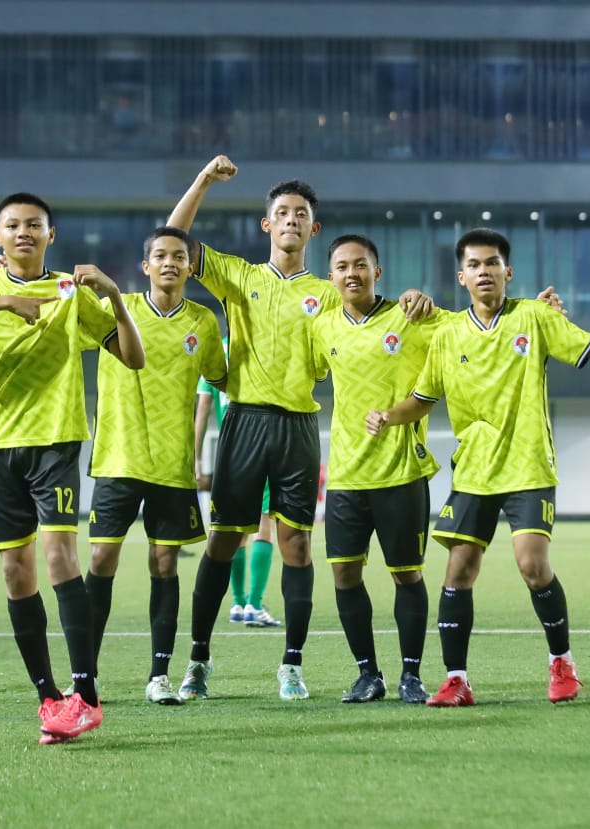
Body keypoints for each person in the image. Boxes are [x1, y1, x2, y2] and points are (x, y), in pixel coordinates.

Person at [167, 154, 434, 701]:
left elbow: (373, 315)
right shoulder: (238, 276)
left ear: (314, 228)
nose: (291, 220)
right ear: (268, 224)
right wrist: (202, 182)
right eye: (282, 212)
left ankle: (291, 664)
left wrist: (413, 300)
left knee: (297, 546)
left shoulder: (331, 291)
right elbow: (173, 239)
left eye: (301, 214)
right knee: (223, 541)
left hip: (299, 426)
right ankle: (197, 660)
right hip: (242, 422)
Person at [366, 227, 590, 707]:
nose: (484, 272)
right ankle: (456, 680)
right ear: (462, 276)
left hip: (528, 465)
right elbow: (421, 399)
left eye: (492, 263)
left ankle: (562, 664)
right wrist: (389, 415)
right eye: (474, 265)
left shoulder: (536, 317)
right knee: (458, 571)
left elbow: (589, 343)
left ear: (507, 272)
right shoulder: (448, 335)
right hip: (475, 470)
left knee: (532, 564)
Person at [0, 192, 145, 744]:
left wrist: (115, 297)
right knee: (15, 571)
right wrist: (1, 304)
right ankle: (49, 697)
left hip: (57, 441)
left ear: (51, 235)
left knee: (59, 556)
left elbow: (134, 357)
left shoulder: (71, 290)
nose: (24, 232)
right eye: (13, 225)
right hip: (2, 444)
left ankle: (86, 694)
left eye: (34, 225)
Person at [82, 226, 227, 705]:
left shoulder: (204, 322)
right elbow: (55, 311)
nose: (170, 263)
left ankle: (159, 676)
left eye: (179, 256)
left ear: (189, 266)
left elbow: (224, 378)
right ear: (145, 267)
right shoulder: (113, 309)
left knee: (164, 563)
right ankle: (86, 675)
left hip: (173, 465)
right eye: (160, 256)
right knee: (102, 560)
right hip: (118, 458)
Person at [311, 235, 449, 704]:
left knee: (406, 575)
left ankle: (411, 674)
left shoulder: (411, 318)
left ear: (378, 272)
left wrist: (536, 309)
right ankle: (368, 674)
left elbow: (472, 327)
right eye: (342, 267)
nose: (352, 273)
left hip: (401, 474)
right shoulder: (322, 327)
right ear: (331, 277)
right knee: (344, 575)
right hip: (347, 475)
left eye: (361, 265)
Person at [194, 342, 281, 630]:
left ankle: (237, 602)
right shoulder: (263, 343)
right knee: (264, 524)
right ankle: (254, 604)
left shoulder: (217, 349)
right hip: (263, 443)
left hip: (230, 453)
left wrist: (195, 457)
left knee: (236, 531)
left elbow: (203, 408)